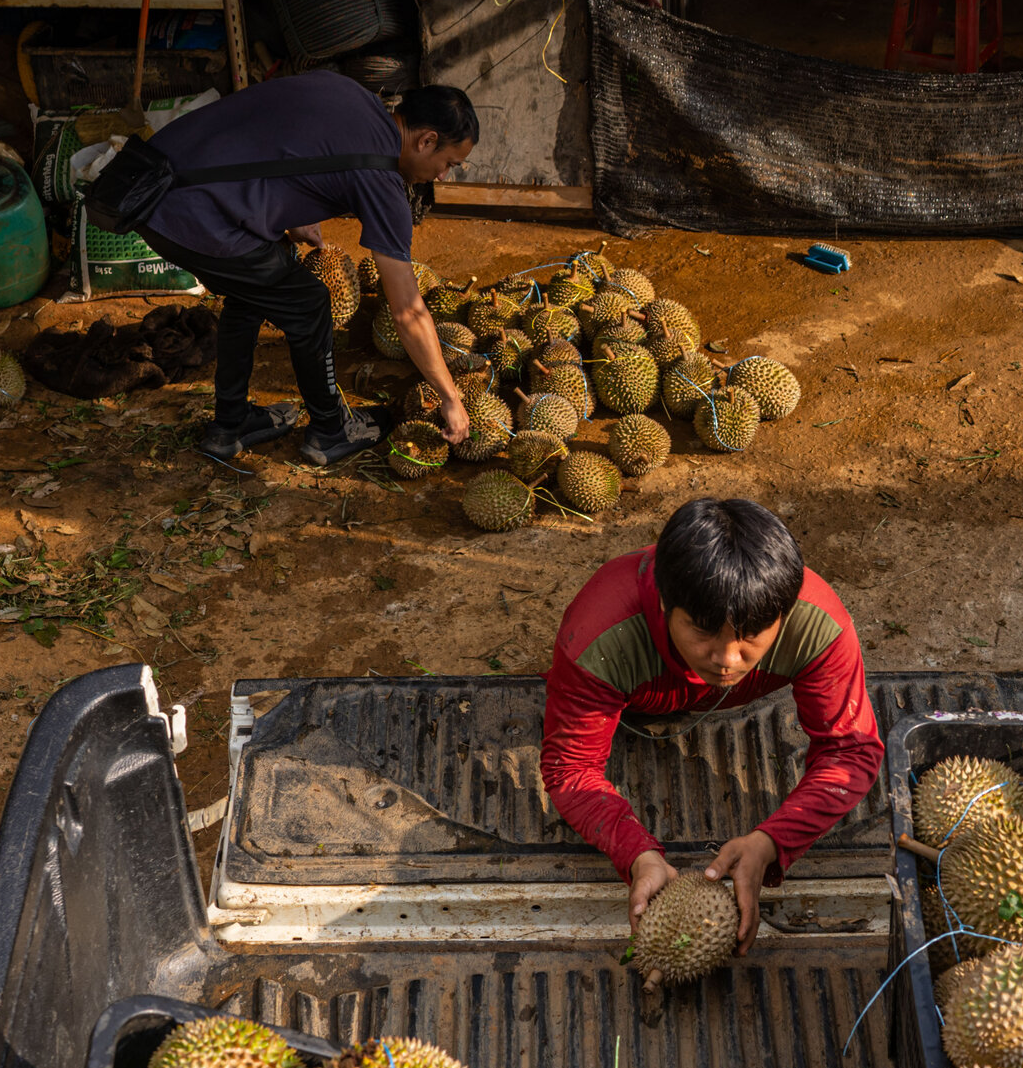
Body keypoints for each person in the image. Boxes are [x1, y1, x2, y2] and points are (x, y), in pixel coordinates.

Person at [542, 499, 883, 952]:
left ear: (782, 615)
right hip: (637, 695)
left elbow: (851, 749)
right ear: (665, 604)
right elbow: (570, 768)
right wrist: (636, 853)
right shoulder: (600, 635)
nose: (727, 659)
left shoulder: (818, 624)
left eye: (750, 636)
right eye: (702, 632)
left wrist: (771, 843)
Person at [132, 78, 481, 466]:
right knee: (309, 302)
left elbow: (281, 132)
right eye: (448, 164)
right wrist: (451, 397)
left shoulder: (351, 94)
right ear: (426, 141)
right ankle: (330, 431)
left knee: (252, 290)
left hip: (150, 181)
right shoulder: (381, 178)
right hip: (192, 212)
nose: (443, 177)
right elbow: (408, 312)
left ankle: (228, 427)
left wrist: (292, 210)